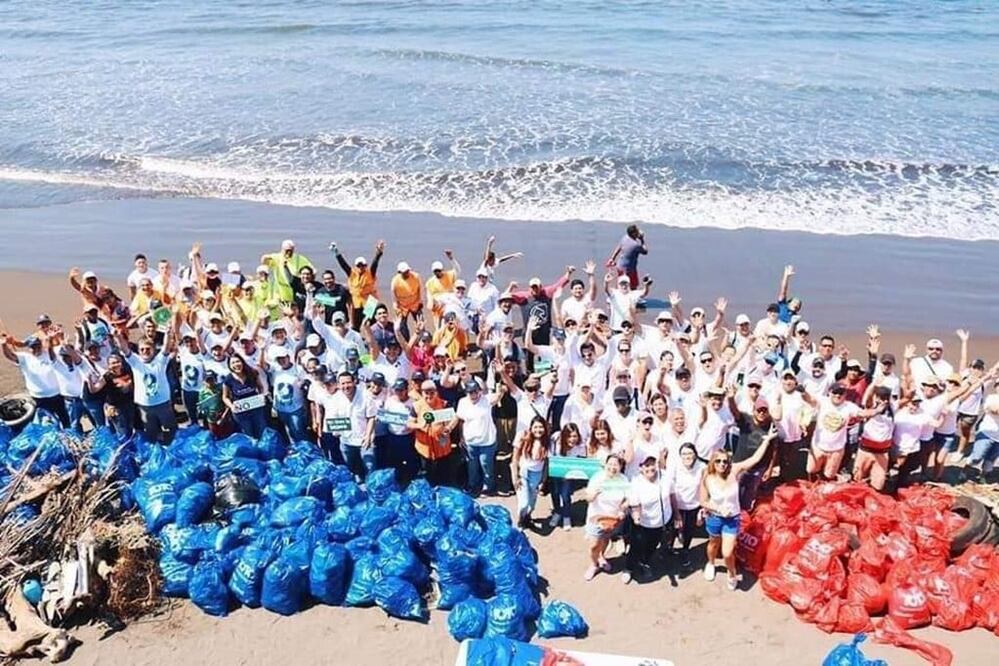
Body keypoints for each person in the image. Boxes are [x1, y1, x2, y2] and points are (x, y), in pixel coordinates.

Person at [700, 426, 777, 590]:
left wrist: (768, 441)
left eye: (725, 461)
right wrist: (717, 509)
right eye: (718, 461)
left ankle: (731, 572)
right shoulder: (708, 477)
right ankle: (711, 563)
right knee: (713, 544)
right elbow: (703, 501)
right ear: (713, 462)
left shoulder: (734, 470)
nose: (722, 464)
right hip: (715, 517)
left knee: (728, 552)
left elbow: (754, 459)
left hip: (732, 519)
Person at [117, 327, 177, 445]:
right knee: (151, 433)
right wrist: (118, 337)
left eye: (148, 349)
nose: (145, 351)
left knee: (170, 430)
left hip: (163, 404)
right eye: (142, 349)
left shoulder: (160, 361)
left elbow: (166, 347)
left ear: (154, 350)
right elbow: (125, 349)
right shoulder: (136, 362)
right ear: (138, 351)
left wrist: (168, 334)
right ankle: (155, 453)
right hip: (145, 407)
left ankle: (171, 448)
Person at [625, 454, 675, 583]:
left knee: (652, 546)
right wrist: (636, 517)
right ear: (640, 468)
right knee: (636, 547)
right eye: (646, 465)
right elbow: (635, 503)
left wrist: (677, 515)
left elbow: (671, 495)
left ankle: (644, 563)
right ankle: (628, 568)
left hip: (661, 522)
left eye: (652, 464)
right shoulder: (636, 482)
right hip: (643, 523)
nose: (650, 468)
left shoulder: (665, 476)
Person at [1, 333, 67, 425]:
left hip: (56, 395)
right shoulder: (24, 357)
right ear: (28, 348)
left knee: (64, 418)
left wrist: (55, 338)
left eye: (37, 346)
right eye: (33, 347)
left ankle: (69, 436)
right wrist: (4, 345)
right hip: (39, 398)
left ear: (41, 345)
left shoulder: (49, 353)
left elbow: (61, 348)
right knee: (47, 421)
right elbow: (10, 355)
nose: (36, 349)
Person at [583, 453, 629, 580]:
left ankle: (602, 557)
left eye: (616, 464)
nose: (612, 467)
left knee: (605, 540)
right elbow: (588, 498)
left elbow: (627, 499)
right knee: (594, 545)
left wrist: (622, 509)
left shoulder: (623, 479)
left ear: (620, 467)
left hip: (613, 519)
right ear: (605, 465)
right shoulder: (598, 478)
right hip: (596, 518)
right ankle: (594, 564)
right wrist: (594, 495)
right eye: (610, 464)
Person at [451, 379, 501, 497]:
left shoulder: (487, 399)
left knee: (486, 465)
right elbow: (459, 419)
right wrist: (459, 435)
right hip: (470, 441)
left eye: (475, 391)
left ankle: (488, 487)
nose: (473, 394)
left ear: (479, 391)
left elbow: (499, 395)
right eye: (470, 392)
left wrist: (500, 389)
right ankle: (473, 486)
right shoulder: (462, 402)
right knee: (472, 466)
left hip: (487, 441)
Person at [377, 378, 419, 484]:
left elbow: (417, 419)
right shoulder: (390, 401)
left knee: (410, 460)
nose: (398, 393)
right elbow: (384, 415)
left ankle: (411, 480)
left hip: (408, 437)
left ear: (406, 390)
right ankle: (398, 480)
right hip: (393, 436)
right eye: (396, 390)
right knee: (395, 460)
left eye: (401, 390)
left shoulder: (413, 403)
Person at [512, 416, 550, 529]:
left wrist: (544, 480)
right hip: (523, 473)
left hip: (537, 474)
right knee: (524, 503)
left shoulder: (547, 442)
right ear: (531, 428)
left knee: (531, 504)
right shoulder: (523, 437)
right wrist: (515, 477)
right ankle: (520, 522)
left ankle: (527, 519)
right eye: (535, 427)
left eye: (541, 427)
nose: (538, 430)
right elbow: (514, 459)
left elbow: (547, 463)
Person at [672, 443, 706, 569]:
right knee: (674, 528)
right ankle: (669, 547)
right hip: (677, 504)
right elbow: (670, 488)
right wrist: (676, 513)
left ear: (695, 455)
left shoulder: (702, 467)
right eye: (684, 454)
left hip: (694, 505)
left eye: (690, 453)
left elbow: (705, 486)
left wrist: (702, 509)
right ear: (680, 456)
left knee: (689, 530)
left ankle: (685, 550)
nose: (687, 456)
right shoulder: (675, 466)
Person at [222, 354, 268, 439]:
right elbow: (225, 397)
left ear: (242, 362)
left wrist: (261, 397)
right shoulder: (228, 379)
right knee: (248, 435)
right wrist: (232, 406)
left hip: (256, 409)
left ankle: (264, 451)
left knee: (262, 432)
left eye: (238, 361)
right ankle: (253, 452)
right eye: (233, 363)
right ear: (229, 366)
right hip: (241, 412)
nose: (236, 364)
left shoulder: (252, 373)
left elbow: (260, 387)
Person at [550, 423, 586, 530]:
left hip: (569, 473)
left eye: (575, 436)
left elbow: (582, 459)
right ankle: (557, 512)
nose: (572, 439)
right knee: (555, 492)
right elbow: (551, 453)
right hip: (556, 470)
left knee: (565, 495)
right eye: (569, 436)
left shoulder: (580, 446)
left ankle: (566, 516)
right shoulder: (556, 438)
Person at [425, 250, 461, 325]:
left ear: (442, 270)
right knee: (439, 331)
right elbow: (429, 298)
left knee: (451, 326)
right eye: (436, 271)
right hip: (438, 308)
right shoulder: (429, 283)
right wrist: (431, 305)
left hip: (449, 305)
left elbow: (458, 270)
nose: (438, 272)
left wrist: (451, 258)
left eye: (439, 270)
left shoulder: (449, 275)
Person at [606, 224, 647, 289]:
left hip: (620, 266)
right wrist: (642, 239)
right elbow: (645, 251)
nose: (639, 232)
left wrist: (612, 258)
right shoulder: (635, 245)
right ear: (633, 234)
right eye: (637, 231)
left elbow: (618, 248)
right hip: (629, 269)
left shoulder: (625, 237)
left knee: (621, 283)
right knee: (633, 286)